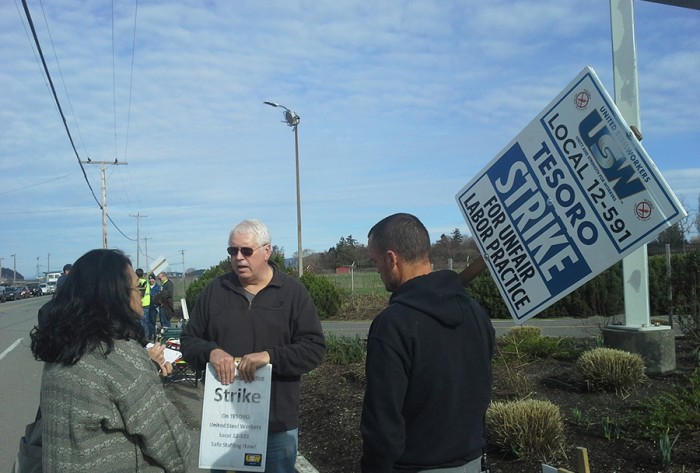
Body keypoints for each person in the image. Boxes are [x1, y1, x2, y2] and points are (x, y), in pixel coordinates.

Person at [181, 219, 326, 473]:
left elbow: (314, 349)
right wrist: (210, 351)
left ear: (267, 251)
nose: (238, 257)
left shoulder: (293, 293)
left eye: (246, 251)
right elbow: (188, 341)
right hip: (225, 426)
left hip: (276, 426)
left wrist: (270, 357)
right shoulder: (215, 291)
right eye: (232, 251)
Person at [30, 249, 192, 472]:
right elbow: (172, 445)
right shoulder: (119, 355)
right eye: (137, 287)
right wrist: (144, 369)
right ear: (116, 295)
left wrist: (148, 367)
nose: (140, 293)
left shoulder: (60, 351)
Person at [360, 213, 495, 473]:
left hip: (415, 465)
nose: (377, 269)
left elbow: (382, 421)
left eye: (376, 262)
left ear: (391, 259)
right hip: (473, 461)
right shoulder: (475, 311)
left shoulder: (392, 325)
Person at [136, 268, 151, 339]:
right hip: (147, 304)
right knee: (145, 322)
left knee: (142, 322)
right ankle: (146, 337)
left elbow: (140, 293)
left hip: (142, 304)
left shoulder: (139, 282)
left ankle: (144, 338)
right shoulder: (146, 282)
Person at [147, 273, 161, 339]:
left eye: (152, 279)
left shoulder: (158, 288)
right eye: (149, 279)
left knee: (153, 321)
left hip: (154, 307)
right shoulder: (147, 287)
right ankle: (149, 335)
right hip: (147, 306)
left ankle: (153, 334)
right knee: (147, 321)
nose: (151, 280)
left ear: (154, 280)